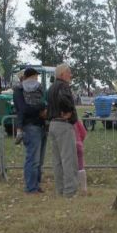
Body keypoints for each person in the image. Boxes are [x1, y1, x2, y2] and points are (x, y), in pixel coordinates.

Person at [14, 67, 48, 194]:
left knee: (39, 160)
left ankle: (36, 184)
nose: (37, 78)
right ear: (31, 76)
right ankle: (30, 187)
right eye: (36, 76)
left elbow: (44, 102)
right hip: (30, 126)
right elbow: (23, 109)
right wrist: (40, 109)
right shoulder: (19, 90)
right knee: (32, 159)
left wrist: (42, 108)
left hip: (41, 125)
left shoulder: (39, 88)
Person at [47, 64, 79, 197]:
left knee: (57, 160)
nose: (70, 75)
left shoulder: (51, 88)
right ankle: (70, 191)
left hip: (53, 124)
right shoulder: (63, 86)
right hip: (63, 125)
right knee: (68, 159)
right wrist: (69, 111)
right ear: (61, 74)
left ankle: (60, 190)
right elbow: (64, 99)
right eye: (69, 72)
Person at [74, 119, 88, 195]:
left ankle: (73, 187)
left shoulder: (65, 122)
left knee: (69, 166)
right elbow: (83, 133)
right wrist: (80, 141)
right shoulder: (77, 120)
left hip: (69, 145)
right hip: (78, 144)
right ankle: (83, 188)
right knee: (81, 167)